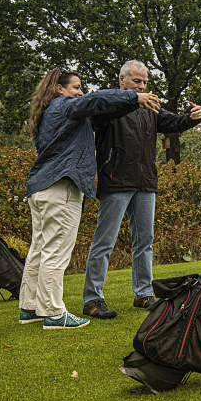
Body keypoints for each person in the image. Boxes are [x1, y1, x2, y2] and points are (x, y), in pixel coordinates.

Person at [20, 68, 161, 329]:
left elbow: (94, 106)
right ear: (59, 89)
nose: (80, 92)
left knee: (39, 250)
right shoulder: (65, 105)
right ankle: (53, 312)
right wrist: (133, 98)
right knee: (55, 252)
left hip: (41, 188)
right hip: (60, 188)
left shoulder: (51, 111)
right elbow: (94, 101)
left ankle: (29, 307)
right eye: (76, 87)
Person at [82, 60, 201, 319]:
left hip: (146, 183)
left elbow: (174, 121)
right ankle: (93, 299)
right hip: (115, 181)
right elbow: (96, 111)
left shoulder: (150, 107)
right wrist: (131, 100)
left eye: (145, 82)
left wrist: (194, 117)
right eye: (137, 81)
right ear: (122, 81)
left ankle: (144, 294)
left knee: (145, 242)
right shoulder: (109, 105)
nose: (142, 86)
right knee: (105, 241)